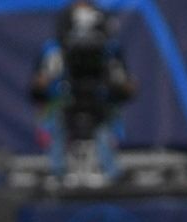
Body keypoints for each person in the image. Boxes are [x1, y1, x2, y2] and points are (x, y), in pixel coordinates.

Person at [31, 1, 136, 184]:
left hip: (99, 98)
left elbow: (124, 84)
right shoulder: (54, 52)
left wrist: (123, 86)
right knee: (56, 119)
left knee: (105, 126)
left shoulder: (110, 51)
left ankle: (110, 171)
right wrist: (43, 84)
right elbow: (39, 85)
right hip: (66, 95)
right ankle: (57, 171)